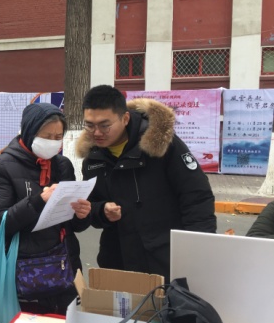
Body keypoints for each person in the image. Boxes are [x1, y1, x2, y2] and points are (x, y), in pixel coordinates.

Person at [76, 85, 217, 281]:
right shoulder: (93, 159)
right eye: (90, 125)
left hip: (165, 260)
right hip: (118, 263)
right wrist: (102, 211)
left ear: (125, 118)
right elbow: (91, 206)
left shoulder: (162, 146)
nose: (97, 132)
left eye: (104, 125)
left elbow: (197, 196)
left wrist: (198, 247)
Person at [0, 102, 91, 315]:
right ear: (29, 132)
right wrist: (38, 200)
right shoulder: (2, 165)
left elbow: (73, 225)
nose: (53, 142)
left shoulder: (62, 165)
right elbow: (0, 221)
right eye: (47, 136)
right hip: (25, 269)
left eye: (58, 137)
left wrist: (82, 214)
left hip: (64, 264)